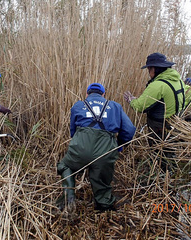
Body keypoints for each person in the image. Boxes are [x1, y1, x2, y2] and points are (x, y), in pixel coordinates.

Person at [57, 83, 136, 212]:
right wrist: (119, 146)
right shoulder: (115, 106)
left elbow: (73, 132)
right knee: (102, 181)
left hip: (81, 145)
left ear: (87, 94)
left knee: (65, 166)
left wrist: (80, 147)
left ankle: (69, 195)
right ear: (104, 94)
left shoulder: (78, 105)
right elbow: (130, 130)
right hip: (106, 149)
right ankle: (104, 207)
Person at [123, 52, 187, 142]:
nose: (149, 73)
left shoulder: (158, 85)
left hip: (160, 130)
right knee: (171, 153)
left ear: (154, 69)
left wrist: (131, 100)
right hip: (176, 126)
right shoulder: (178, 81)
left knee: (158, 154)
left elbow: (140, 107)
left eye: (149, 69)